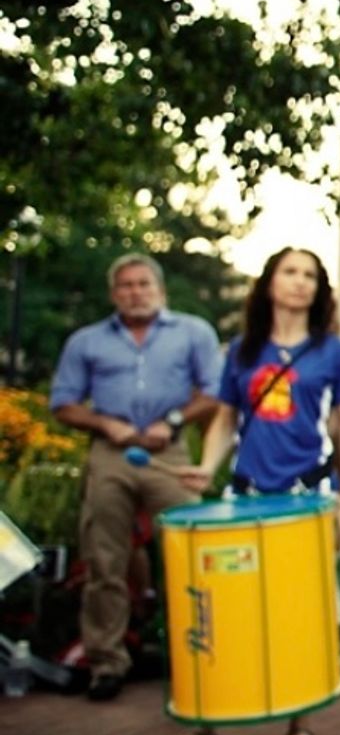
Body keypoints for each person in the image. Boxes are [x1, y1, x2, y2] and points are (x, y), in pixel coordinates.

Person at [159, 246, 340, 735]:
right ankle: (204, 723)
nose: (299, 283)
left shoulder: (334, 354)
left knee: (305, 610)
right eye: (290, 272)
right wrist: (208, 467)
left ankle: (300, 723)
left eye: (310, 276)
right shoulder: (243, 352)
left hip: (307, 498)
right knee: (221, 608)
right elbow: (226, 419)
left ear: (320, 290)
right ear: (269, 282)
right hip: (246, 495)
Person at [50, 254, 222, 702]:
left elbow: (215, 392)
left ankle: (194, 652)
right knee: (104, 556)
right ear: (114, 294)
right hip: (112, 451)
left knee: (189, 552)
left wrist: (174, 419)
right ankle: (106, 661)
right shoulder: (87, 342)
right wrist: (105, 424)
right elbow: (64, 403)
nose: (135, 292)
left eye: (143, 284)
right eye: (125, 285)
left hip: (170, 452)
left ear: (160, 290)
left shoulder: (192, 332)